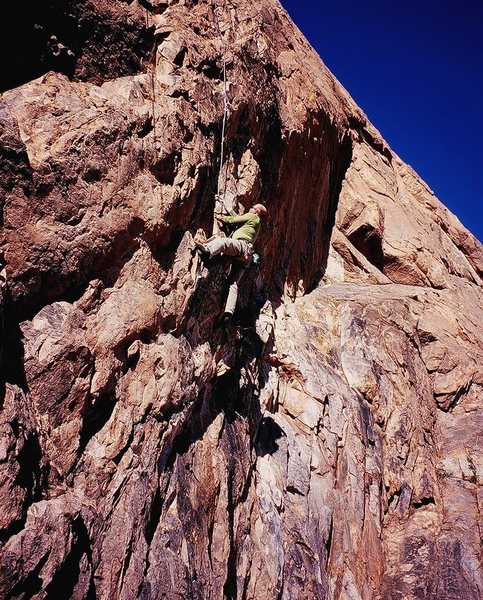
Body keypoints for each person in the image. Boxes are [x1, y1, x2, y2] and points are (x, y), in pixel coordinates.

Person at [196, 203, 268, 323]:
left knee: (223, 242)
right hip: (246, 256)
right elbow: (239, 219)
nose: (250, 208)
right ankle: (228, 312)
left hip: (241, 246)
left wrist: (223, 218)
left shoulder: (253, 217)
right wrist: (228, 208)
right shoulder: (256, 224)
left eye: (252, 207)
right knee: (233, 283)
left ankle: (207, 251)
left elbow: (235, 220)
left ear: (256, 211)